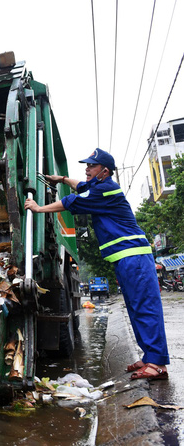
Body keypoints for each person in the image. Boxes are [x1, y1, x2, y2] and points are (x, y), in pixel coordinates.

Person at [25, 148, 169, 381]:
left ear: (104, 171)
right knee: (135, 308)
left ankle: (158, 364)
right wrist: (61, 178)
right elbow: (79, 185)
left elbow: (71, 201)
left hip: (134, 258)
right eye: (87, 165)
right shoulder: (97, 187)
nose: (87, 169)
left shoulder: (105, 191)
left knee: (146, 308)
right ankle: (149, 356)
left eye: (92, 166)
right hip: (125, 259)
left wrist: (39, 208)